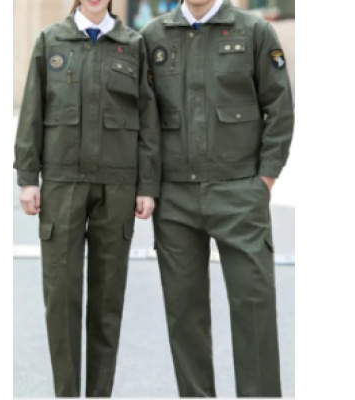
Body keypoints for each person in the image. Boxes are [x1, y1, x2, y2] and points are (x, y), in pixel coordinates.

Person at [140, 0, 294, 397]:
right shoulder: (153, 36)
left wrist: (264, 181)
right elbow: (141, 117)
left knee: (254, 308)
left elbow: (279, 107)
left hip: (240, 192)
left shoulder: (254, 31)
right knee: (184, 316)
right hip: (174, 198)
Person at [13, 0, 160, 397]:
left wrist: (147, 184)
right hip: (62, 184)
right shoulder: (51, 40)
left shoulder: (133, 44)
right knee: (60, 298)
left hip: (117, 186)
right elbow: (32, 110)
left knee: (107, 302)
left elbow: (148, 118)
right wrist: (27, 177)